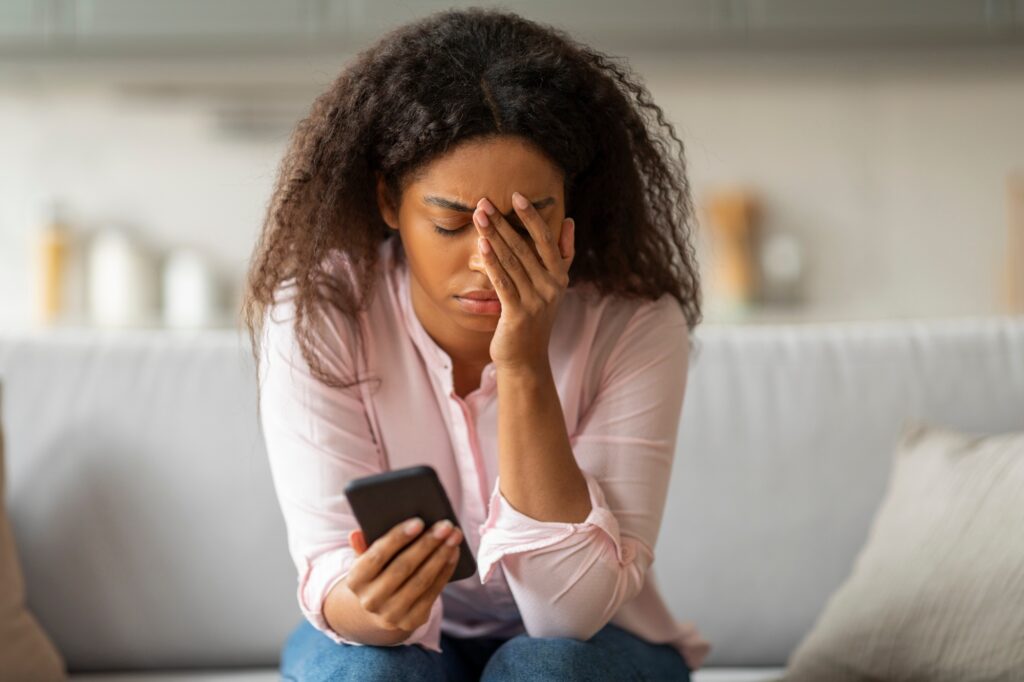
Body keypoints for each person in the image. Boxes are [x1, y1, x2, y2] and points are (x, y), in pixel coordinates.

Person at [242, 7, 711, 681]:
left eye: (529, 219)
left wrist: (522, 366)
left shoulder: (633, 324)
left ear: (571, 203)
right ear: (388, 202)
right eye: (451, 223)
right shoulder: (321, 316)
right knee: (374, 673)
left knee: (543, 670)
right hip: (397, 643)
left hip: (592, 643)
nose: (489, 260)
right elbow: (331, 572)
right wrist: (373, 607)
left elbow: (568, 616)